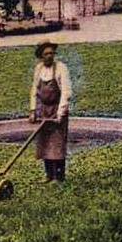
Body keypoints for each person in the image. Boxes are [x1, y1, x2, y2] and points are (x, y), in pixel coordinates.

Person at [28, 42, 72, 183]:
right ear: (41, 56)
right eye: (46, 54)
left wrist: (61, 113)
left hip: (57, 109)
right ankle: (48, 175)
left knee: (57, 143)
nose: (49, 56)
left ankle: (59, 177)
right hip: (43, 110)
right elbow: (34, 90)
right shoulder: (39, 69)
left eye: (52, 53)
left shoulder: (61, 68)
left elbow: (66, 91)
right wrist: (33, 110)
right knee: (45, 142)